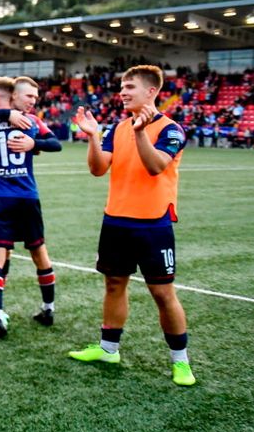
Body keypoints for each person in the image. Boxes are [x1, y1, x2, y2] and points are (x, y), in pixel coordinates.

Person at [70, 65, 195, 386]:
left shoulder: (171, 130)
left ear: (151, 91)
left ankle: (180, 361)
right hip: (116, 220)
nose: (122, 92)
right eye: (122, 87)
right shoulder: (116, 128)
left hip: (153, 225)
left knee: (162, 293)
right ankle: (109, 348)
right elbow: (98, 169)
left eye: (130, 87)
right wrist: (93, 137)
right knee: (114, 284)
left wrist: (140, 132)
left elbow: (155, 167)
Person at [0, 77, 61, 338]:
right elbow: (55, 143)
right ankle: (47, 307)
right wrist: (28, 135)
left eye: (34, 97)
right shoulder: (30, 122)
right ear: (13, 95)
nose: (33, 101)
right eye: (28, 96)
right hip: (24, 196)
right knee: (38, 251)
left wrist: (33, 144)